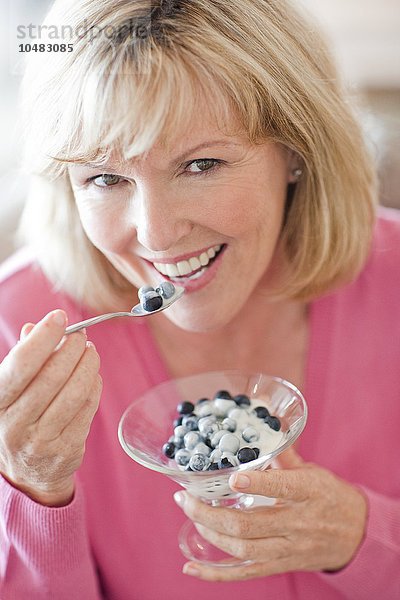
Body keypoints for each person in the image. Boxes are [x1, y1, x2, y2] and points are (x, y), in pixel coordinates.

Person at [0, 0, 399, 598]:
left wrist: (364, 538)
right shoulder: (16, 330)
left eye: (201, 164)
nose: (156, 234)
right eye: (105, 178)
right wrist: (33, 491)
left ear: (296, 151)